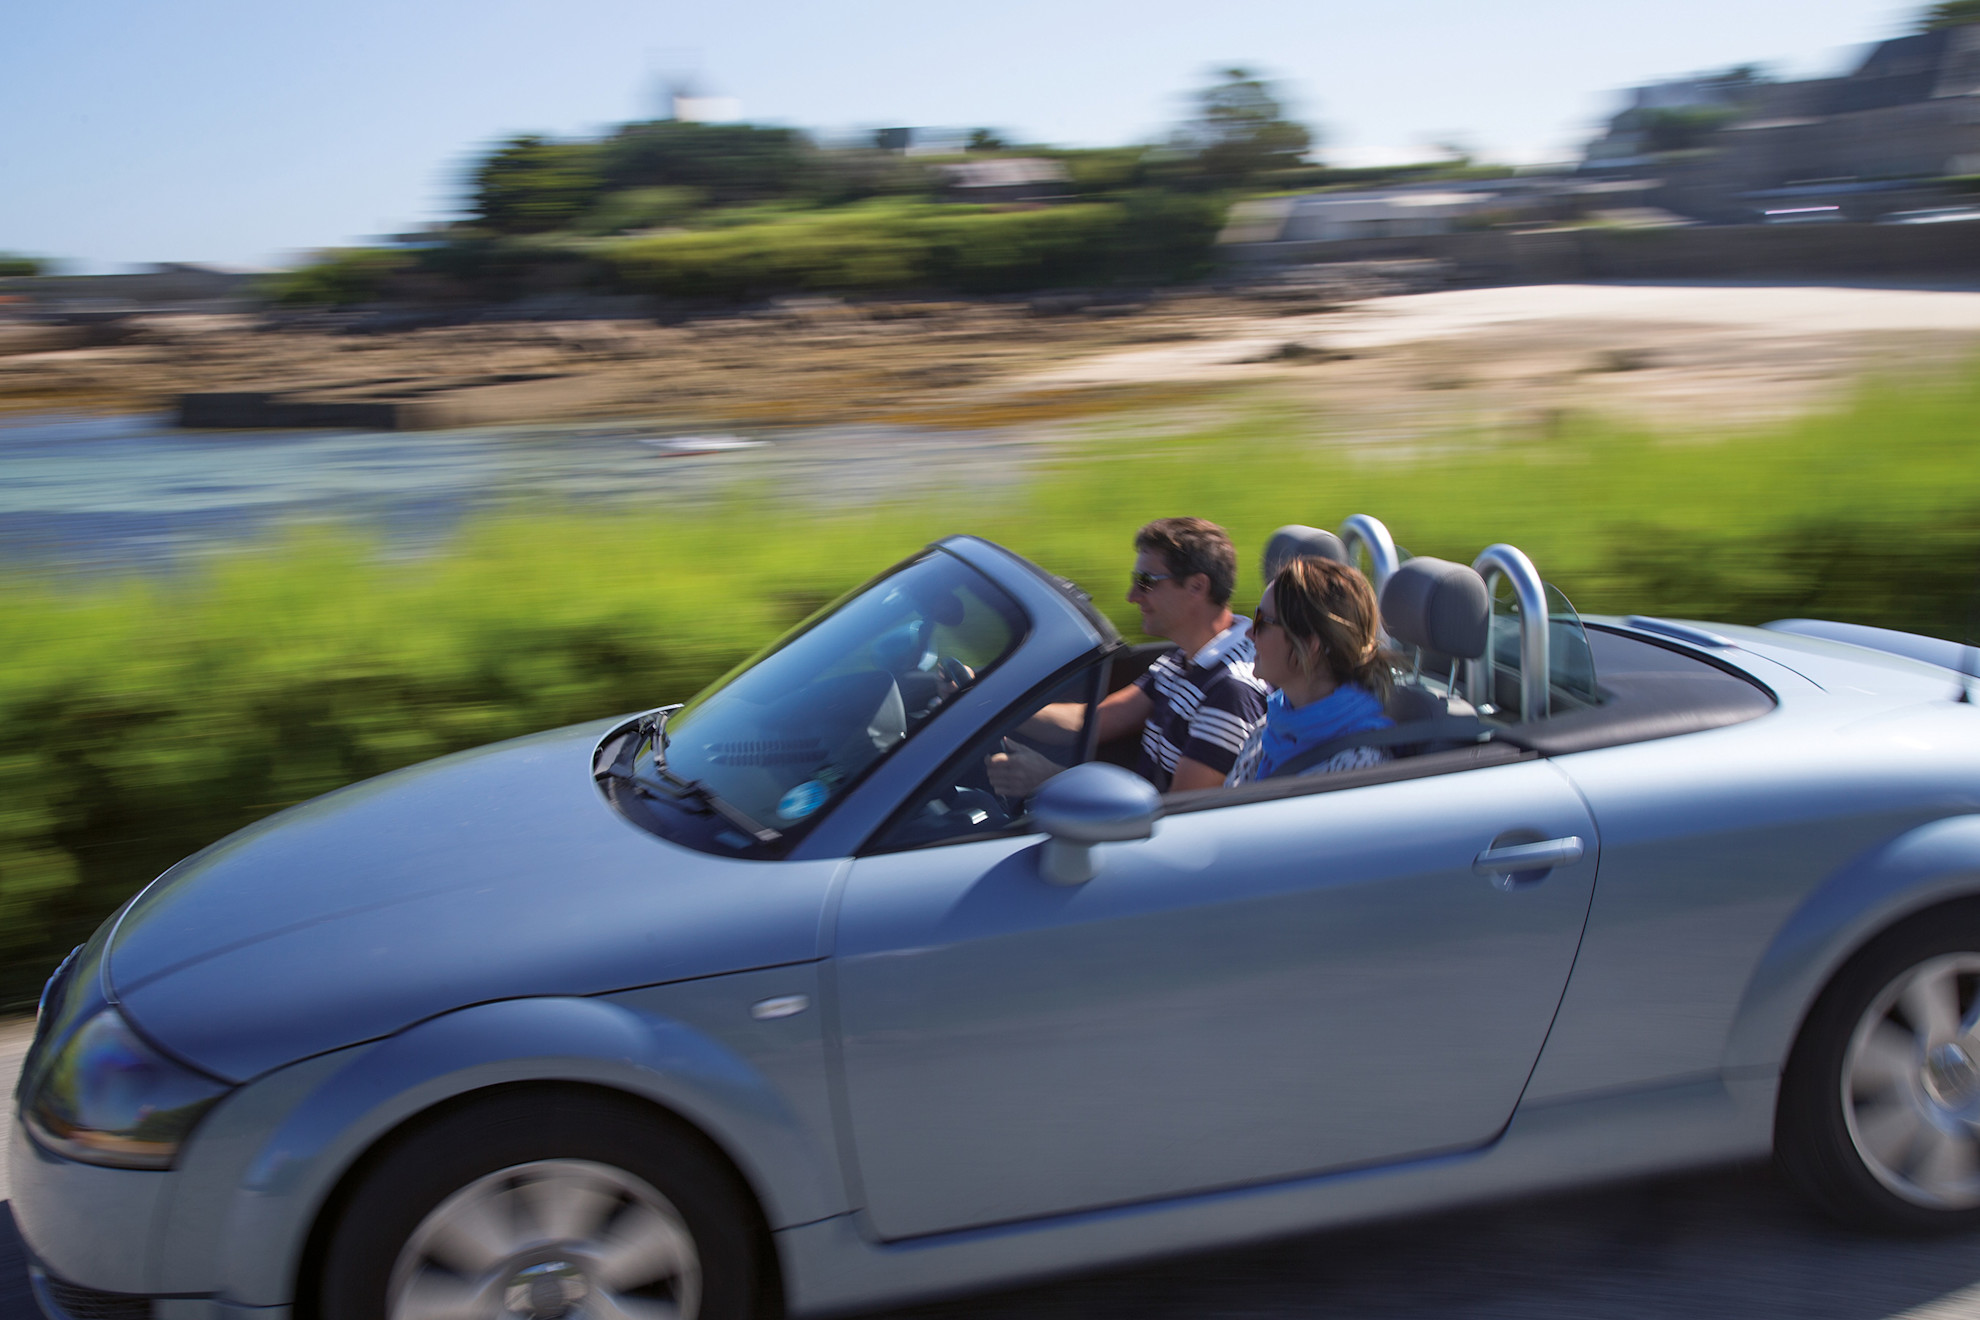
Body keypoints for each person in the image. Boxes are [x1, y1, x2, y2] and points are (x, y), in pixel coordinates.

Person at [989, 517, 1267, 795]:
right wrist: (991, 704)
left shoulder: (1231, 692)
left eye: (1146, 582)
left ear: (1197, 587)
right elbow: (1090, 723)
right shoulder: (1186, 657)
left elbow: (1180, 814)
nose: (1132, 596)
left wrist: (1051, 779)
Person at [1227, 556, 1396, 785]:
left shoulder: (1357, 765)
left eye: (1261, 621)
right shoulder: (1271, 726)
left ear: (1308, 645)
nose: (1249, 633)